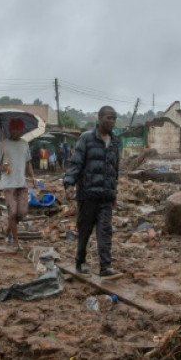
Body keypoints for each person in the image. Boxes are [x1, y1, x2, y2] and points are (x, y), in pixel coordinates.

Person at [64, 106, 122, 279]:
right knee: (85, 230)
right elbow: (76, 163)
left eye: (114, 119)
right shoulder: (86, 139)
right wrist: (69, 184)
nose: (111, 122)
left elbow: (114, 169)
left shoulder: (115, 142)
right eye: (108, 118)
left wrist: (114, 192)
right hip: (88, 195)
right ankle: (80, 261)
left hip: (105, 196)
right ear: (99, 118)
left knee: (105, 231)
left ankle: (105, 267)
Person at [0, 118, 36, 248]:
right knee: (12, 213)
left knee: (22, 213)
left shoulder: (25, 144)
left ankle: (8, 229)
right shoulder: (2, 144)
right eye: (16, 130)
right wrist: (4, 167)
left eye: (20, 130)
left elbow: (28, 163)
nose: (19, 133)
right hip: (8, 184)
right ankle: (16, 241)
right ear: (10, 130)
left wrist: (33, 177)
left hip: (21, 183)